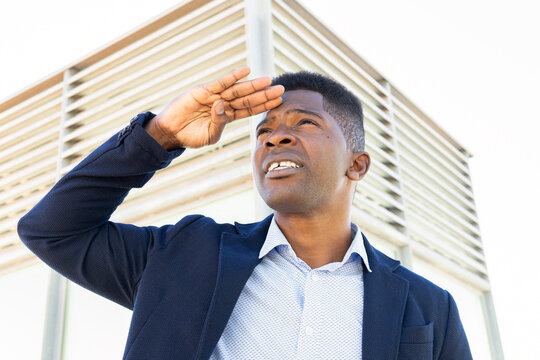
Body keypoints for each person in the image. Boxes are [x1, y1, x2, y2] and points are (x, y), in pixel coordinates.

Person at [18, 67, 473, 359]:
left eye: (305, 123)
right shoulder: (186, 254)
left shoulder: (430, 307)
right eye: (264, 131)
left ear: (358, 164)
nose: (274, 138)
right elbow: (52, 230)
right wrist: (159, 135)